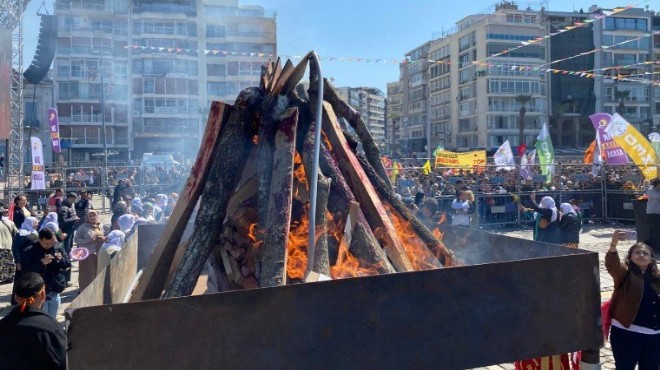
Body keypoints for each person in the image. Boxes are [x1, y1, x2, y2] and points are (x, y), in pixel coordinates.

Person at [605, 231, 660, 369]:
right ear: (630, 257)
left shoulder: (656, 278)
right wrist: (613, 245)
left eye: (645, 253)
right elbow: (613, 266)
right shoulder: (625, 273)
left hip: (654, 335)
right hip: (627, 332)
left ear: (652, 259)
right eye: (637, 252)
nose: (641, 255)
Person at [0, 272, 67, 370]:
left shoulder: (3, 325)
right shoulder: (51, 329)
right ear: (43, 294)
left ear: (15, 297)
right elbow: (66, 362)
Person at [19, 229, 71, 318]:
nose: (50, 245)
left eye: (52, 242)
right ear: (40, 240)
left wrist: (60, 260)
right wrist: (41, 263)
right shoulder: (29, 250)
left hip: (55, 288)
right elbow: (25, 272)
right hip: (39, 292)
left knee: (52, 319)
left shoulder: (58, 246)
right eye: (46, 244)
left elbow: (67, 264)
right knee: (42, 319)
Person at [74, 210, 106, 292]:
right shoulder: (83, 227)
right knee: (86, 274)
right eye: (90, 216)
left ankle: (95, 290)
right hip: (86, 254)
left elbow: (104, 235)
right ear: (87, 217)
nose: (92, 217)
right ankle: (84, 291)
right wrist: (88, 241)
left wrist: (103, 239)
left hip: (98, 253)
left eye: (94, 215)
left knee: (96, 271)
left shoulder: (100, 226)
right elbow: (76, 239)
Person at [0, 207, 18, 283]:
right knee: (9, 262)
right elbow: (16, 233)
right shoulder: (9, 222)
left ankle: (3, 278)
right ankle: (10, 278)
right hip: (8, 245)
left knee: (2, 263)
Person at [644, 178, 660, 254]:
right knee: (653, 231)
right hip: (652, 213)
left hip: (658, 213)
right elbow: (658, 197)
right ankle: (650, 246)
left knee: (658, 231)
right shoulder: (651, 190)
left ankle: (657, 246)